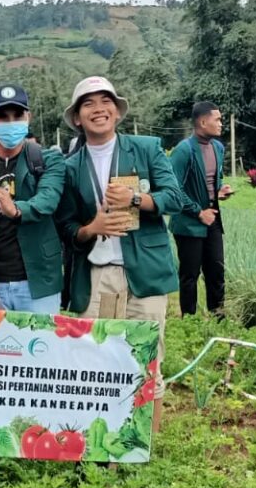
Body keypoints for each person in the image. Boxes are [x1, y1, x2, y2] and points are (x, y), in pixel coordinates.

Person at [57, 76, 187, 322]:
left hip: (146, 271)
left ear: (117, 112)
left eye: (106, 101)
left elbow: (174, 198)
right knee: (102, 345)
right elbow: (66, 226)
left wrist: (135, 198)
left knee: (143, 346)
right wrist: (91, 229)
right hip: (98, 274)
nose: (98, 109)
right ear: (77, 118)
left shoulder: (147, 149)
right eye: (88, 104)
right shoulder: (70, 168)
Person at [0, 84, 67, 314]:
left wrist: (16, 209)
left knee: (40, 338)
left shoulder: (48, 160)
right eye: (2, 116)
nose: (10, 122)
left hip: (39, 283)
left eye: (17, 115)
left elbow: (47, 199)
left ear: (28, 117)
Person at [168, 101, 234, 316]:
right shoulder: (184, 151)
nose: (221, 124)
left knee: (216, 272)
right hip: (189, 223)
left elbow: (213, 179)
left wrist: (219, 190)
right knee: (190, 275)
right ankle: (190, 321)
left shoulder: (218, 148)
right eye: (218, 119)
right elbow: (173, 188)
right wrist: (198, 211)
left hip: (212, 218)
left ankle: (219, 319)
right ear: (203, 122)